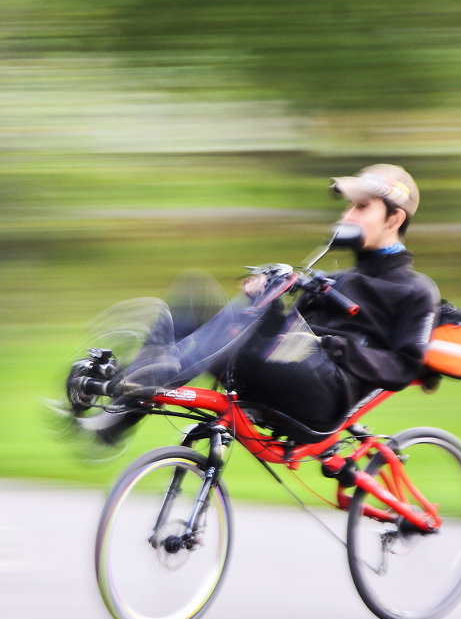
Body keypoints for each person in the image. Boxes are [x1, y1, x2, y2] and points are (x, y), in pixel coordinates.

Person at [73, 163, 439, 443]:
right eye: (349, 208)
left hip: (325, 397)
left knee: (233, 336)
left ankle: (149, 378)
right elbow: (290, 333)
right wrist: (264, 298)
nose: (346, 217)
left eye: (361, 208)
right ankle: (119, 416)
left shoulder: (417, 291)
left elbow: (405, 366)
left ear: (394, 218)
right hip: (293, 369)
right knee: (195, 294)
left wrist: (339, 348)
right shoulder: (337, 279)